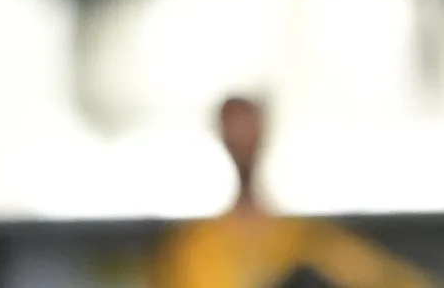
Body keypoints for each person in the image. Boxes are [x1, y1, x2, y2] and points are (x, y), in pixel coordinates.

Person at [153, 96, 429, 288]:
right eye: (235, 132)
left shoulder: (302, 237)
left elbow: (380, 276)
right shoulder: (195, 246)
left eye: (249, 129)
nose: (243, 141)